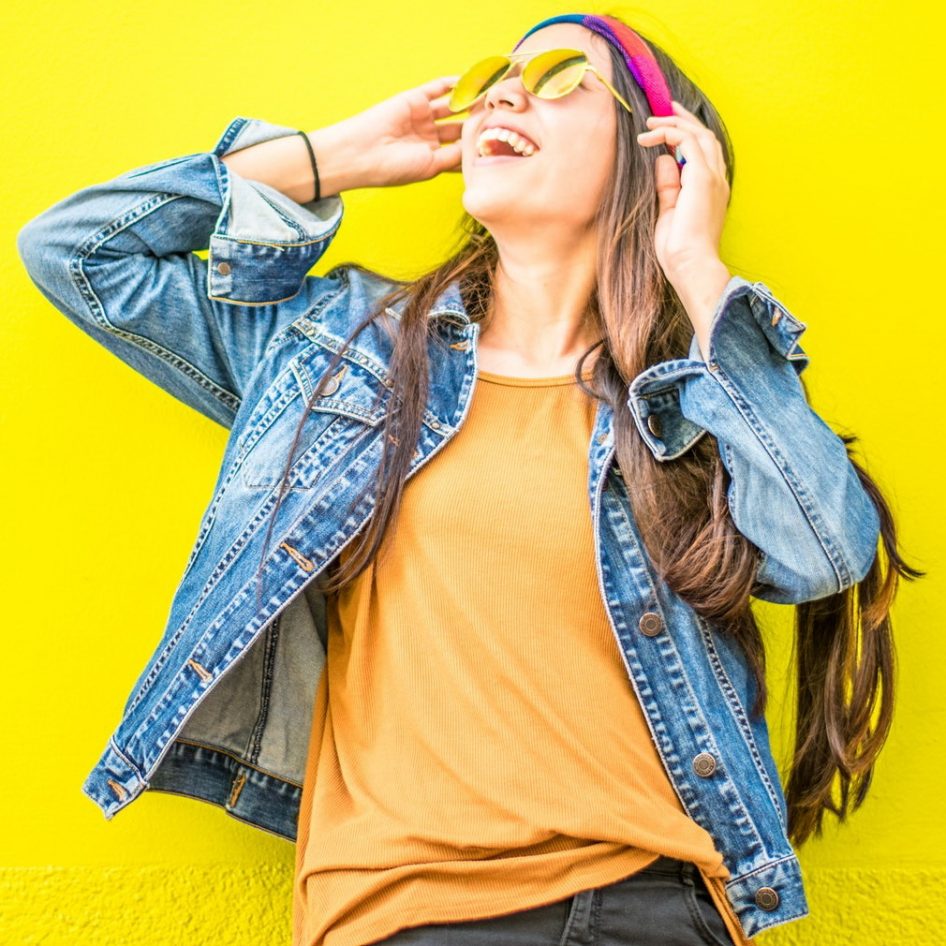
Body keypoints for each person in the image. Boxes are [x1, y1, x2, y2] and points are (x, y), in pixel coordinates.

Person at [16, 10, 920, 946]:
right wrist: (334, 157)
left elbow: (826, 553)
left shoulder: (692, 400)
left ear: (661, 158)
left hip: (663, 903)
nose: (504, 91)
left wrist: (697, 269)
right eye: (497, 75)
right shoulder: (338, 352)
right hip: (405, 913)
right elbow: (76, 252)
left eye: (564, 76)